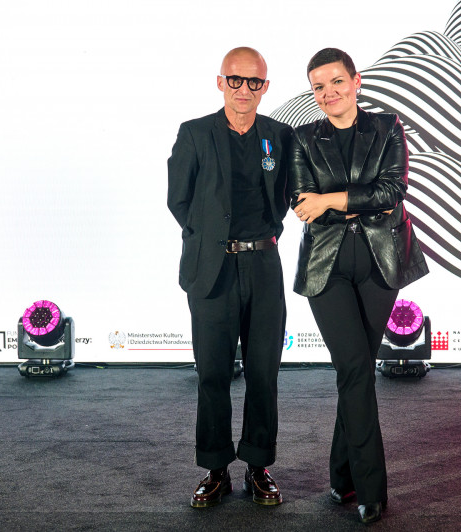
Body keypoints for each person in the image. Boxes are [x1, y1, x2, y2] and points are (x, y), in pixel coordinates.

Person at [289, 48, 429, 524]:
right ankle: (371, 489)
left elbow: (393, 192)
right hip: (325, 266)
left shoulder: (387, 127)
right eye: (318, 87)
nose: (328, 93)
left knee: (357, 373)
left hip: (379, 262)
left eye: (336, 82)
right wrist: (351, 202)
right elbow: (302, 204)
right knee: (354, 369)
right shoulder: (303, 138)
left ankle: (342, 477)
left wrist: (330, 199)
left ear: (356, 81)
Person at [167, 46, 292, 508]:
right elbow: (178, 200)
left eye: (253, 82)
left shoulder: (280, 135)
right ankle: (215, 469)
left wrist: (262, 235)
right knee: (213, 374)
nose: (243, 89)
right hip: (212, 270)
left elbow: (285, 196)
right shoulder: (195, 133)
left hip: (263, 266)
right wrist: (210, 240)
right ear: (220, 82)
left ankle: (259, 467)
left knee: (263, 373)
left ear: (265, 87)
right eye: (235, 80)